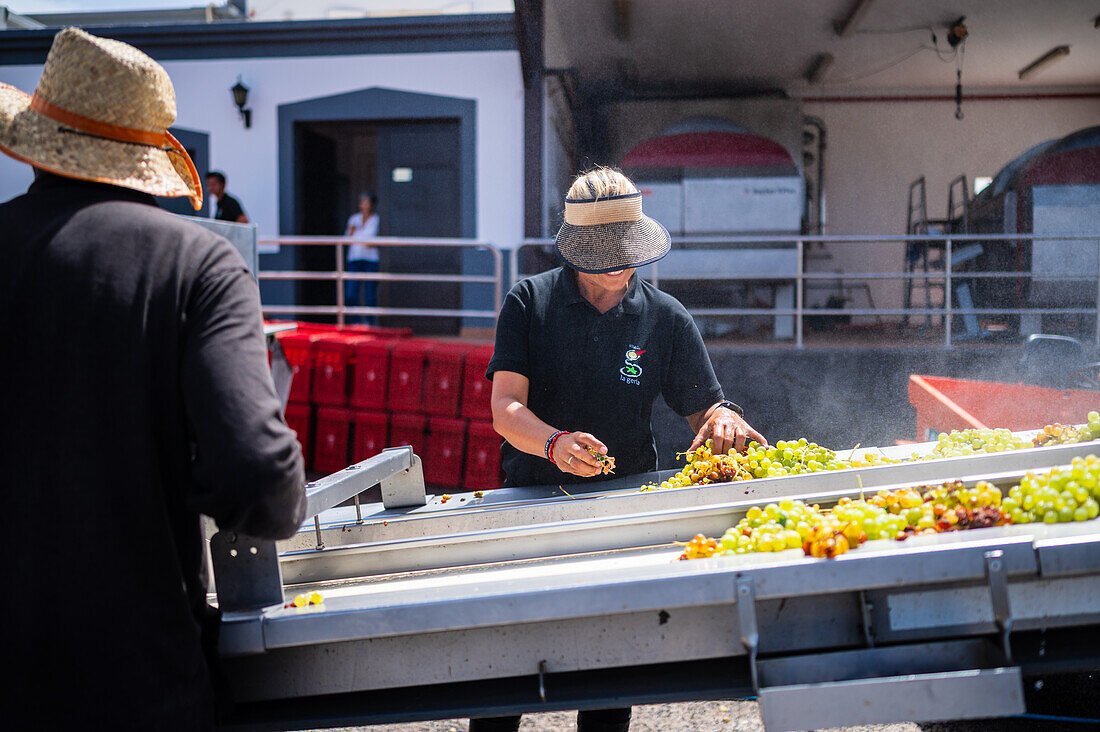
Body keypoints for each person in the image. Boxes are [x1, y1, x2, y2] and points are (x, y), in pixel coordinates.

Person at [0, 28, 307, 730]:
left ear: (39, 138)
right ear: (145, 156)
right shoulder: (196, 266)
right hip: (135, 678)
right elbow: (261, 481)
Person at [480, 167, 767, 732]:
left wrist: (724, 420)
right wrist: (555, 443)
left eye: (628, 250)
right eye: (606, 254)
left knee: (610, 664)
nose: (621, 263)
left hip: (625, 507)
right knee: (506, 662)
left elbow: (705, 408)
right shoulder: (529, 302)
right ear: (577, 251)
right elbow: (505, 409)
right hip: (531, 501)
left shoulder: (665, 317)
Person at [345, 190, 380, 323]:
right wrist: (357, 236)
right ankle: (356, 322)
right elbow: (347, 239)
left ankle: (369, 323)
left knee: (369, 294)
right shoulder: (354, 219)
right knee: (351, 294)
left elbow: (371, 242)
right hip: (354, 259)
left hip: (370, 260)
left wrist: (357, 237)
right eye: (363, 202)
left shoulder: (376, 219)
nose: (365, 205)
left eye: (367, 202)